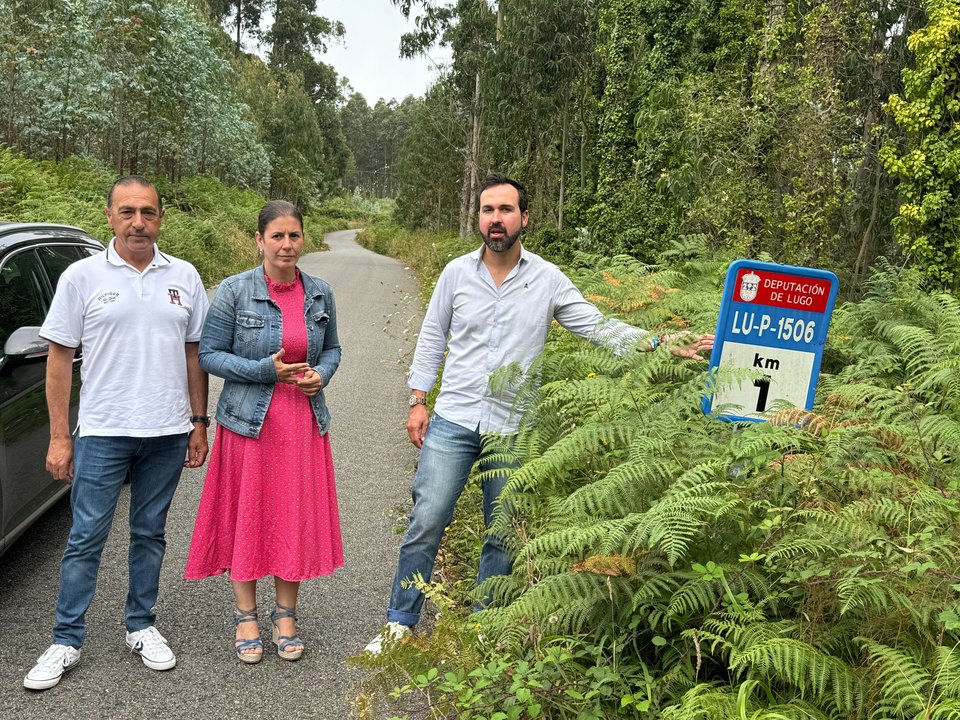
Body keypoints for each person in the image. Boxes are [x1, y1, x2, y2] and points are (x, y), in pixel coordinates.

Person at [365, 173, 714, 654]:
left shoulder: (547, 279)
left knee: (502, 531)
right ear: (479, 218)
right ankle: (399, 623)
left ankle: (487, 627)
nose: (496, 219)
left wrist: (661, 343)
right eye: (488, 210)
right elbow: (431, 337)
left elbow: (597, 327)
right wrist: (417, 399)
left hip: (513, 429)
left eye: (505, 210)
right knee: (427, 519)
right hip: (454, 419)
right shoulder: (455, 274)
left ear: (524, 218)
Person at [23, 176, 210, 690]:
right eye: (127, 212)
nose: (138, 222)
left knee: (150, 533)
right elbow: (59, 358)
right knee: (85, 538)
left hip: (168, 432)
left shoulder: (185, 276)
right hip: (103, 432)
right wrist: (60, 436)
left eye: (148, 212)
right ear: (109, 217)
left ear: (160, 218)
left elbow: (195, 354)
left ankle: (141, 624)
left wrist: (199, 422)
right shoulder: (81, 277)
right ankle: (66, 639)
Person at [184, 200, 343, 664]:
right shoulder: (234, 291)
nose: (287, 245)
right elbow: (209, 355)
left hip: (302, 424)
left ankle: (286, 615)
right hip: (250, 425)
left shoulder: (321, 292)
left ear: (303, 239)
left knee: (290, 516)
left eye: (294, 236)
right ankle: (246, 616)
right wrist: (262, 371)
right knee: (250, 515)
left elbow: (332, 350)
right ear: (259, 240)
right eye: (277, 236)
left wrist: (322, 375)